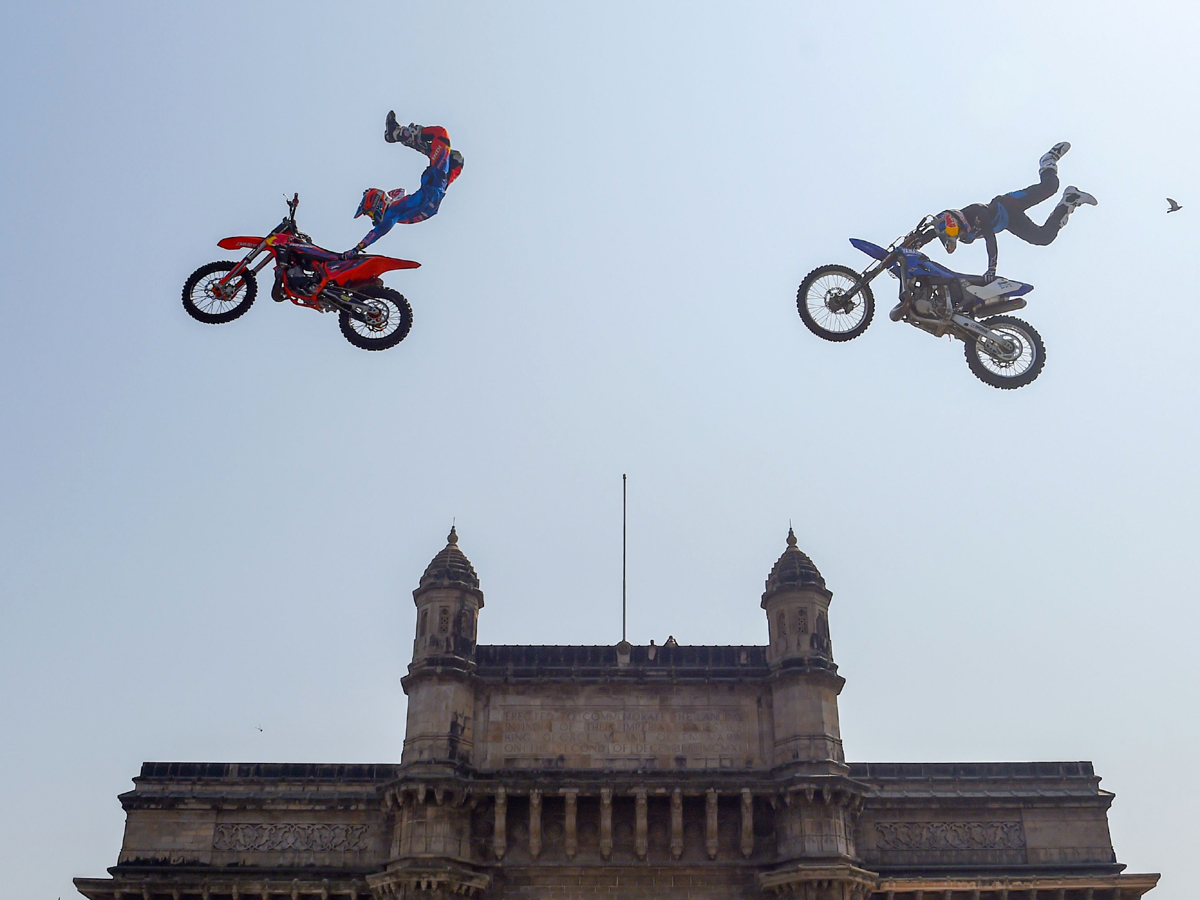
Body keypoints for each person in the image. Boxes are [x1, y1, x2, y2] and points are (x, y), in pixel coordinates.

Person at [926, 142, 1096, 282]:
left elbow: (990, 238)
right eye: (953, 235)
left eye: (953, 230)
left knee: (1050, 187)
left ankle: (1048, 161)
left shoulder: (975, 213)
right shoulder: (963, 235)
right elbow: (929, 234)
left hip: (1008, 205)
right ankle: (1069, 201)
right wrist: (906, 250)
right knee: (1044, 238)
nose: (957, 234)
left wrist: (991, 268)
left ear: (955, 219)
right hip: (1009, 222)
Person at [342, 112, 464, 257]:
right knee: (441, 135)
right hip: (435, 185)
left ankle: (400, 135)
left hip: (435, 185)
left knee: (454, 156)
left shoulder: (393, 209)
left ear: (376, 203)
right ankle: (397, 134)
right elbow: (377, 231)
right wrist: (356, 248)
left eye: (370, 213)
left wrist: (356, 249)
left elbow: (378, 228)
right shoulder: (392, 214)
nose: (372, 218)